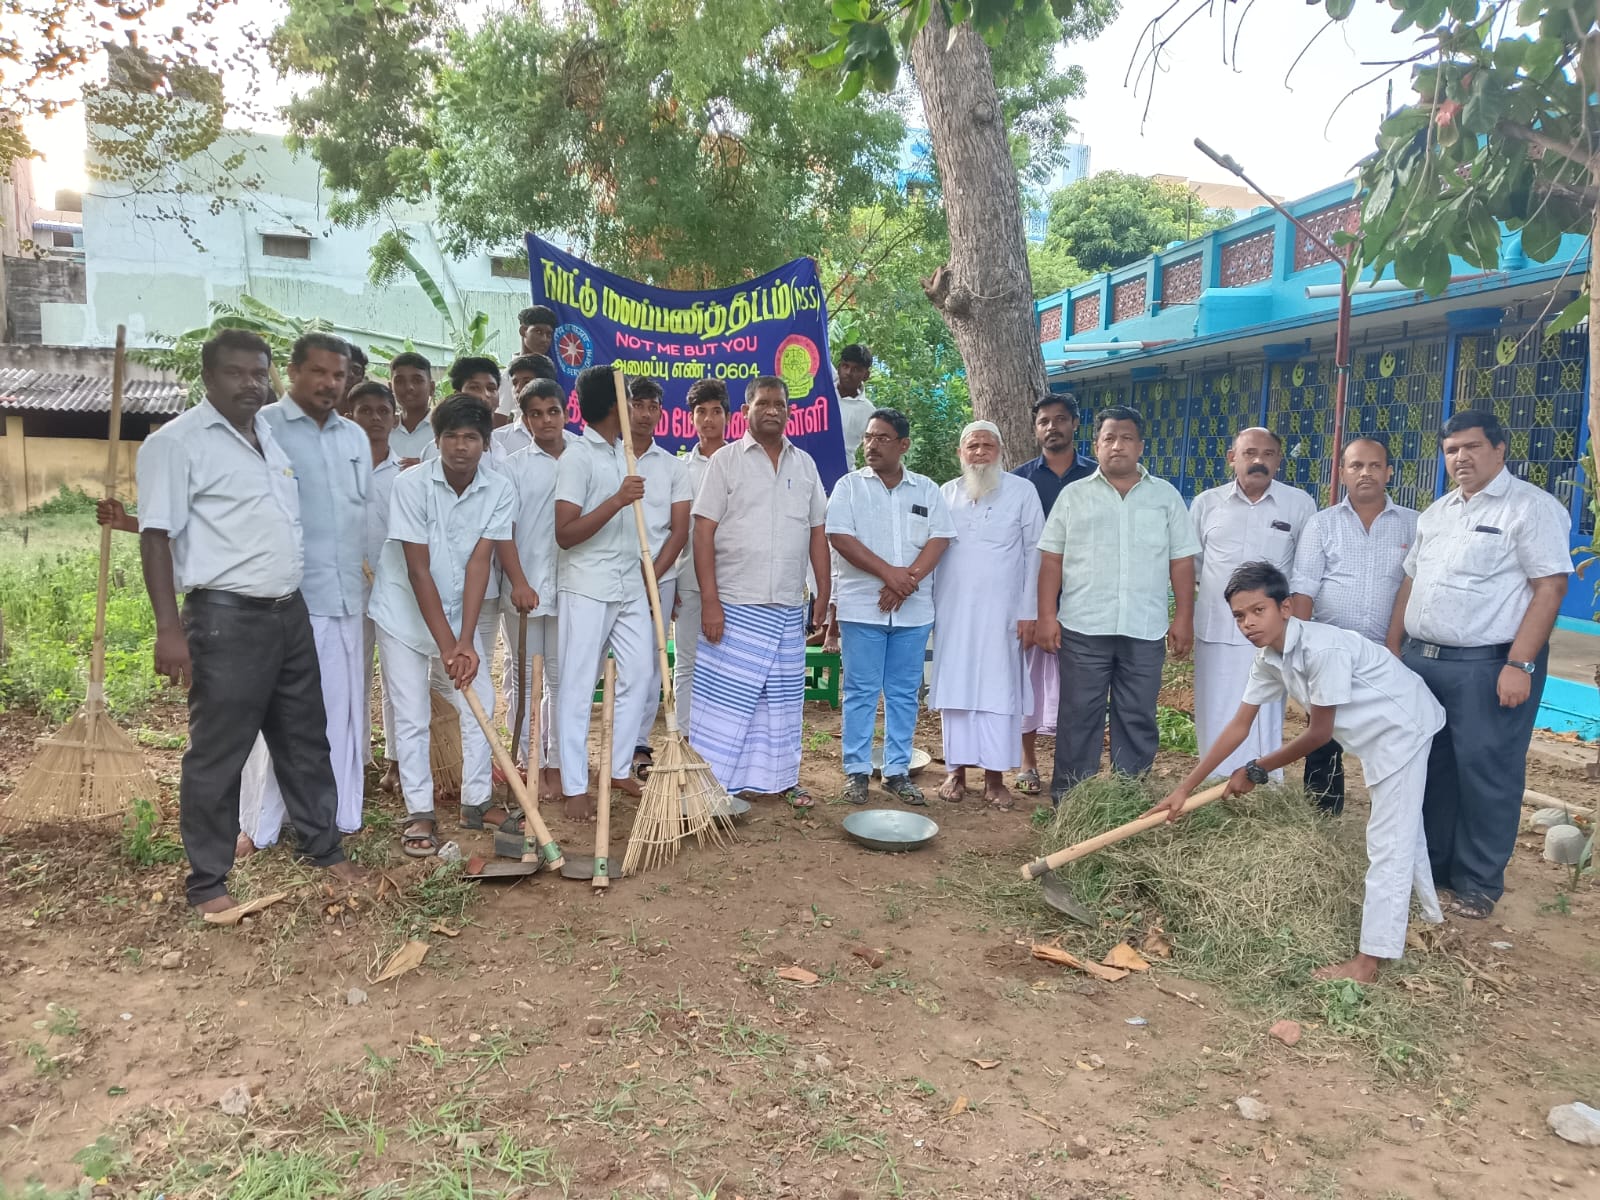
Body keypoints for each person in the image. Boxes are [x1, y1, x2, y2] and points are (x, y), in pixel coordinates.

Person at [135, 329, 365, 913]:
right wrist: (169, 630)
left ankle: (323, 848)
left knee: (305, 739)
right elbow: (155, 538)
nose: (250, 384)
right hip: (225, 619)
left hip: (289, 613)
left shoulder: (267, 434)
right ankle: (208, 881)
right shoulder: (176, 444)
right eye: (236, 373)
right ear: (208, 377)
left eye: (258, 374)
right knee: (219, 751)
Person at [1154, 562, 1445, 983]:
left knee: (1389, 842)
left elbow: (1319, 733)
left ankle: (1367, 964)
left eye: (1258, 611)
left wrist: (1256, 769)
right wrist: (1184, 788)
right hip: (1376, 733)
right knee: (1402, 826)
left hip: (1403, 727)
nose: (1249, 623)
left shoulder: (1321, 650)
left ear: (1285, 608)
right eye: (1239, 616)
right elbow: (1239, 726)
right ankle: (1431, 915)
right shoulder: (1269, 659)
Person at [1388, 409, 1572, 920]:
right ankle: (1437, 868)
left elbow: (1550, 587)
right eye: (1451, 449)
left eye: (1471, 447)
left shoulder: (1530, 509)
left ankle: (1478, 882)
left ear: (1499, 450)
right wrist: (1394, 648)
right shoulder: (1438, 513)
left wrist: (1521, 664)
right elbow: (1410, 583)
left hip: (1489, 668)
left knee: (1486, 772)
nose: (1460, 458)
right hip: (1426, 663)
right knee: (1434, 770)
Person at [370, 394, 516, 856]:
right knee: (412, 714)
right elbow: (418, 569)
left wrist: (466, 641)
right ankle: (420, 813)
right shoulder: (410, 486)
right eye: (450, 436)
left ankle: (476, 802)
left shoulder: (498, 489)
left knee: (480, 704)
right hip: (402, 614)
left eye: (471, 437)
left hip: (454, 618)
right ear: (436, 441)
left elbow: (479, 564)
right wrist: (450, 645)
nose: (460, 446)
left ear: (486, 444)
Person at [247, 333, 372, 850]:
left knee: (342, 713)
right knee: (281, 719)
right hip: (289, 602)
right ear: (293, 371)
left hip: (347, 601)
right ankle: (260, 825)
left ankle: (339, 816)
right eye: (318, 372)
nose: (329, 383)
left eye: (338, 375)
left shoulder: (354, 439)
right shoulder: (264, 429)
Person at [1036, 406, 1197, 801]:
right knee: (1078, 717)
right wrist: (1046, 616)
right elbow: (1051, 560)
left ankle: (1128, 803)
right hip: (1083, 628)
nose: (1117, 446)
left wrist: (1184, 619)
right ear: (1097, 445)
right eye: (1109, 438)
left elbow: (1182, 562)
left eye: (1126, 438)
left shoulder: (1165, 497)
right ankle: (1071, 805)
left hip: (1144, 629)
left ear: (1140, 446)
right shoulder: (1075, 496)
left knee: (1137, 717)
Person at [690, 376, 830, 807]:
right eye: (763, 403)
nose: (773, 410)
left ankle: (780, 780)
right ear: (746, 411)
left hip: (788, 606)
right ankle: (713, 783)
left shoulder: (804, 464)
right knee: (726, 704)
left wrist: (822, 593)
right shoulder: (725, 463)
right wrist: (710, 602)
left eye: (780, 404)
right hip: (734, 606)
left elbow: (816, 532)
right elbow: (702, 534)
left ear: (789, 412)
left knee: (782, 704)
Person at [827, 407, 955, 805]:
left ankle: (897, 771)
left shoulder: (926, 490)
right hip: (862, 609)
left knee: (902, 693)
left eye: (882, 438)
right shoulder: (849, 487)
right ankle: (857, 771)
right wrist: (889, 575)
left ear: (903, 445)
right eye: (868, 437)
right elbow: (840, 537)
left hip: (912, 613)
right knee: (861, 691)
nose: (872, 445)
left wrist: (906, 581)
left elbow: (940, 539)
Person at [1289, 437, 1418, 814]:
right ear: (1342, 472)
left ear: (1389, 472)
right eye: (1356, 465)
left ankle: (1393, 818)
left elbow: (1413, 587)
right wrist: (1302, 649)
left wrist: (1395, 645)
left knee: (1391, 740)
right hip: (1331, 654)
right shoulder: (1322, 524)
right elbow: (1304, 589)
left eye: (1375, 465)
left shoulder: (1414, 524)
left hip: (1388, 653)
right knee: (1323, 740)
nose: (1366, 473)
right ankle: (1322, 818)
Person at [553, 365, 652, 820]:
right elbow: (565, 533)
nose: (635, 407)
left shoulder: (625, 453)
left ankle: (615, 769)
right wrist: (616, 499)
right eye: (630, 398)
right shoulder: (578, 456)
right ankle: (575, 785)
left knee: (641, 674)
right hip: (587, 587)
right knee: (577, 685)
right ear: (615, 405)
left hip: (629, 585)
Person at [1190, 428, 1316, 781]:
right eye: (1249, 453)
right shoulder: (1206, 504)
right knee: (1214, 709)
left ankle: (1262, 784)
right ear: (1233, 458)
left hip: (1273, 632)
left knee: (1265, 712)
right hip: (1217, 627)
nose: (1258, 460)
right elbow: (1193, 566)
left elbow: (1304, 571)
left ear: (1278, 459)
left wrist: (1297, 633)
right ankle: (1213, 784)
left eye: (1268, 453)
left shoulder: (1299, 504)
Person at [929, 421, 1043, 811]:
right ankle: (955, 772)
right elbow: (930, 551)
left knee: (998, 693)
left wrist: (1031, 612)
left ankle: (995, 778)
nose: (979, 453)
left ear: (1000, 451)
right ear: (960, 454)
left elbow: (1036, 554)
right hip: (953, 610)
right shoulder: (944, 494)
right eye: (972, 446)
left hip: (1005, 614)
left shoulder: (1022, 493)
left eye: (987, 446)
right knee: (957, 692)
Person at [1010, 392, 1095, 796]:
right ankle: (1027, 762)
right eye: (1044, 421)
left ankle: (1071, 771)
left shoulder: (1097, 478)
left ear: (1075, 424)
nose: (1052, 427)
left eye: (1060, 419)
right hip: (1029, 600)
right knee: (1025, 684)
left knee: (1078, 691)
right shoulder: (1019, 480)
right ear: (1035, 428)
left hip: (1083, 599)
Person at [499, 379, 575, 803]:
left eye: (553, 411)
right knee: (524, 678)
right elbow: (503, 531)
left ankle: (558, 764)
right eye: (536, 413)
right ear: (524, 420)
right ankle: (529, 764)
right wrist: (518, 581)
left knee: (563, 681)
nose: (546, 420)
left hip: (571, 588)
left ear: (566, 413)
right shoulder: (513, 467)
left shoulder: (584, 457)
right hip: (524, 591)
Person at [625, 378, 692, 777]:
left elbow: (679, 531)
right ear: (625, 407)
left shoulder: (672, 466)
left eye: (653, 407)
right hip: (606, 576)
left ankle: (637, 745)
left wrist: (653, 575)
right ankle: (573, 754)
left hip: (658, 577)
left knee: (651, 663)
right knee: (593, 662)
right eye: (638, 405)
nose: (646, 414)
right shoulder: (609, 457)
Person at [347, 382, 402, 780]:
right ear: (351, 417)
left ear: (395, 418)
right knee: (353, 675)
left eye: (383, 411)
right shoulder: (339, 469)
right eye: (365, 411)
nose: (375, 419)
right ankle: (357, 760)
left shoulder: (406, 475)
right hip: (347, 589)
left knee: (398, 679)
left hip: (395, 590)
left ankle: (397, 761)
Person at [673, 378, 730, 733]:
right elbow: (676, 530)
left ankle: (722, 740)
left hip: (735, 582)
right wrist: (673, 581)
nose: (709, 419)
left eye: (716, 411)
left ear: (728, 416)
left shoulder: (739, 461)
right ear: (690, 418)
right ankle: (684, 738)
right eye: (701, 412)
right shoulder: (680, 468)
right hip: (689, 580)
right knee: (687, 663)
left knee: (728, 666)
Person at [492, 354, 560, 459]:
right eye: (515, 383)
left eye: (526, 382)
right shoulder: (497, 440)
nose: (518, 389)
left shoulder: (571, 443)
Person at [497, 305, 559, 420]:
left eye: (548, 335)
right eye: (538, 332)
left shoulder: (549, 371)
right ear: (523, 331)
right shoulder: (507, 376)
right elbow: (499, 420)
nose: (544, 339)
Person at [388, 352, 436, 464]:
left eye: (417, 380)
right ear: (391, 388)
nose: (409, 387)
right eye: (400, 381)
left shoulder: (445, 430)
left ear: (432, 388)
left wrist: (424, 468)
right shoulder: (384, 430)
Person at [834, 344, 874, 465]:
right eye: (845, 366)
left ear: (866, 375)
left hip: (841, 474)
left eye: (856, 369)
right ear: (838, 367)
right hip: (805, 471)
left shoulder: (869, 412)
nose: (848, 372)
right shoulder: (822, 390)